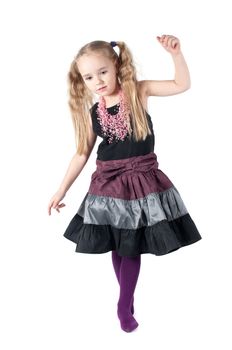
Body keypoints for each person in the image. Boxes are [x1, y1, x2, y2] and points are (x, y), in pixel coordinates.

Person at [47, 35, 202, 333]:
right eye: (89, 76)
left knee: (130, 246)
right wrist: (61, 189)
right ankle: (126, 300)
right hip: (107, 184)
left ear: (116, 65)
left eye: (102, 72)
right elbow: (81, 154)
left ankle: (122, 304)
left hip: (140, 180)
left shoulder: (137, 91)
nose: (97, 81)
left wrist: (177, 55)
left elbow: (181, 85)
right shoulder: (95, 112)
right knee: (117, 245)